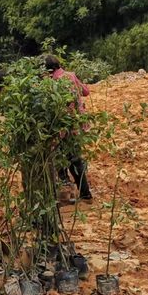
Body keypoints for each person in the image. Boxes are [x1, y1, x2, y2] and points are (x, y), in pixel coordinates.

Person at [44, 55, 93, 200]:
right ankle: (85, 193)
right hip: (78, 124)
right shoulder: (70, 75)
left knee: (62, 160)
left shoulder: (51, 83)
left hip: (63, 129)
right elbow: (86, 91)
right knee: (76, 160)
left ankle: (68, 190)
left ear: (47, 70)